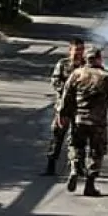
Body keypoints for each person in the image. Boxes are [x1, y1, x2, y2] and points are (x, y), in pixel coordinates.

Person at [57, 47, 108, 196]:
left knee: (76, 146)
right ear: (99, 59)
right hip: (98, 123)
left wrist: (62, 114)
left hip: (79, 120)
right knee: (97, 153)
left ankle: (75, 169)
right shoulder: (106, 76)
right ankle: (89, 185)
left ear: (86, 59)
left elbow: (66, 96)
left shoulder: (76, 74)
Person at [44, 38, 86, 176]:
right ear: (70, 50)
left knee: (78, 137)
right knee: (57, 135)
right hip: (63, 107)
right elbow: (55, 81)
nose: (79, 53)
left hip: (80, 108)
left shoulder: (86, 66)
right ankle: (51, 165)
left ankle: (78, 166)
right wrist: (67, 91)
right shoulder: (62, 64)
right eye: (76, 49)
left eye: (81, 49)